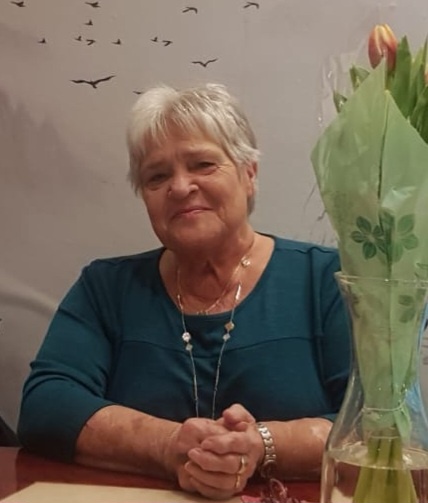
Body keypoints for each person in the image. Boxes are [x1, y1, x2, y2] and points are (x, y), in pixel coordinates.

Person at [17, 83, 350, 499]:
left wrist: (262, 445)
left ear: (249, 174)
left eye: (203, 164)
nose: (179, 186)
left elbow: (382, 423)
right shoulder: (106, 287)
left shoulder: (328, 280)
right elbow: (46, 405)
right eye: (157, 176)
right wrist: (166, 445)